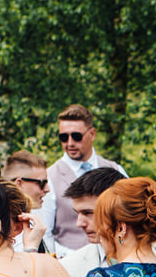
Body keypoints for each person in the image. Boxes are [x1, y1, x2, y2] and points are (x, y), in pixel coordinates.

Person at [46, 103, 128, 250]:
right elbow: (45, 233)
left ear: (92, 134)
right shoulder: (49, 177)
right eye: (63, 137)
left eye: (76, 136)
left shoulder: (115, 169)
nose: (70, 143)